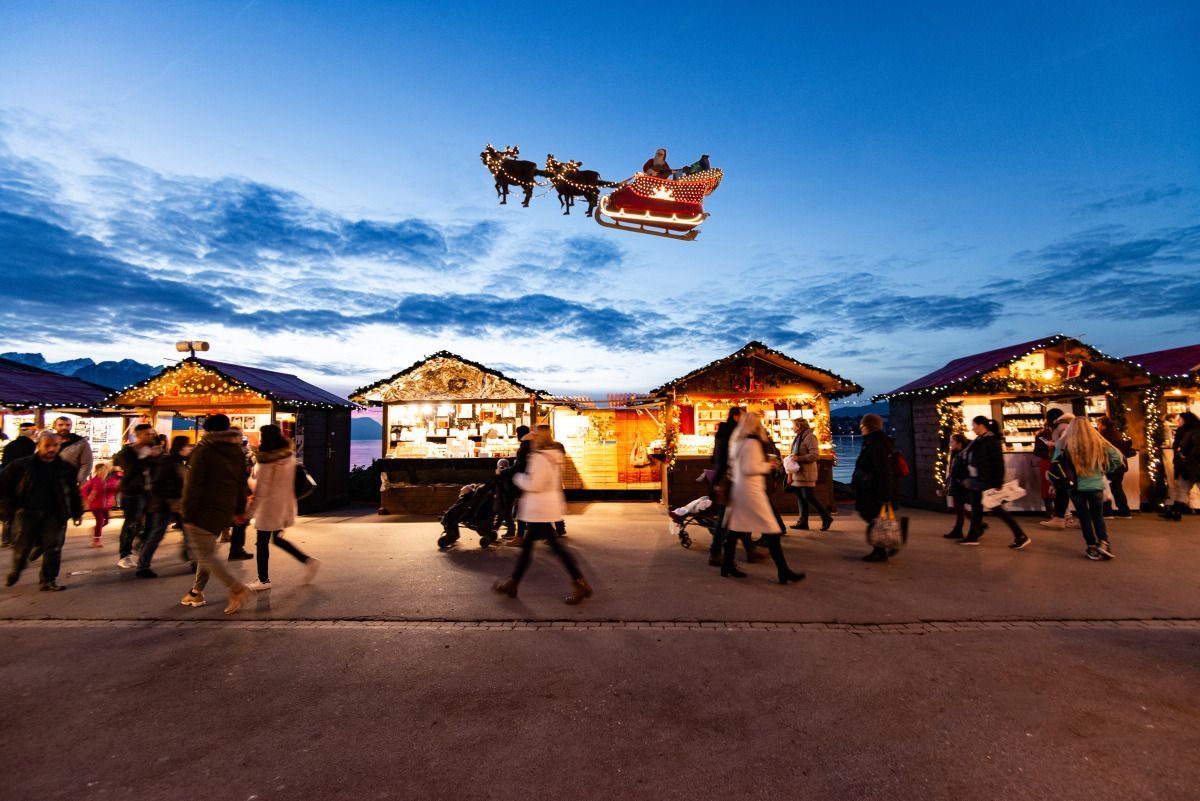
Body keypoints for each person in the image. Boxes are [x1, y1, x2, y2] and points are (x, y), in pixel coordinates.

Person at [493, 426, 592, 604]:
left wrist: (517, 478)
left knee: (549, 549)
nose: (531, 441)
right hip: (546, 508)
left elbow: (535, 485)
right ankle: (513, 582)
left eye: (533, 438)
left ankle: (579, 583)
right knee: (535, 548)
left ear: (538, 439)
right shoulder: (554, 455)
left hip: (539, 509)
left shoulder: (539, 458)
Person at [179, 414, 253, 614]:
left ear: (208, 431)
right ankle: (196, 592)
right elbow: (240, 483)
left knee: (204, 554)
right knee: (207, 551)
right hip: (225, 509)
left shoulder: (203, 452)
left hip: (204, 510)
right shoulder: (236, 451)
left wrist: (187, 515)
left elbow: (192, 486)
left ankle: (236, 588)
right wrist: (238, 510)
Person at [722, 412, 805, 584]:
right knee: (772, 529)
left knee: (736, 529)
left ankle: (727, 565)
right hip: (752, 492)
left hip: (740, 491)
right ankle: (783, 571)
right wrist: (768, 465)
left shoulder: (737, 442)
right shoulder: (752, 443)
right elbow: (749, 468)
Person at [1, 432, 83, 591]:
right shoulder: (21, 465)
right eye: (47, 445)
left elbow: (72, 491)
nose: (52, 449)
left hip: (55, 513)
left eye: (55, 446)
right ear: (39, 445)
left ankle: (48, 580)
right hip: (26, 512)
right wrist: (9, 508)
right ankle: (17, 569)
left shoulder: (66, 468)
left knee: (54, 546)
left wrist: (76, 512)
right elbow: (4, 486)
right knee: (22, 546)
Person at [245, 425, 319, 591]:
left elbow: (261, 491)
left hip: (268, 508)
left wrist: (248, 514)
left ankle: (263, 580)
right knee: (276, 538)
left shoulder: (266, 462)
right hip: (285, 504)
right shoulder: (289, 456)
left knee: (262, 542)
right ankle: (307, 560)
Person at [1055, 417, 1124, 560]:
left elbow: (1056, 462)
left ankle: (1091, 545)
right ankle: (1104, 542)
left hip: (1076, 486)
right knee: (1097, 515)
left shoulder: (1066, 443)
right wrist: (1104, 469)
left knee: (1084, 516)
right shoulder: (1099, 442)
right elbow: (1118, 457)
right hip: (1096, 485)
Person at [959, 416, 1030, 549]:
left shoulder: (991, 440)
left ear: (981, 425)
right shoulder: (980, 440)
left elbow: (998, 462)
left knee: (996, 509)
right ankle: (973, 535)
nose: (972, 428)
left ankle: (1020, 535)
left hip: (986, 480)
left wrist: (998, 482)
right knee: (977, 507)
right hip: (977, 479)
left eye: (974, 425)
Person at [852, 414, 901, 562]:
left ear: (869, 427)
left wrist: (884, 496)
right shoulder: (874, 442)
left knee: (872, 517)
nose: (860, 429)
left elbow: (884, 471)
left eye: (862, 426)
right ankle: (882, 547)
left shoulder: (878, 445)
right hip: (870, 488)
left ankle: (882, 548)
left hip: (874, 490)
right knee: (873, 517)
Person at [136, 435, 186, 578]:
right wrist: (171, 497)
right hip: (164, 503)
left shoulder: (169, 461)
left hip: (167, 502)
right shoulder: (165, 461)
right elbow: (160, 484)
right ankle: (143, 566)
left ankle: (192, 558)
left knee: (186, 532)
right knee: (157, 533)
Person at [113, 424, 160, 569]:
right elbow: (131, 470)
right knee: (131, 524)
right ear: (138, 435)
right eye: (148, 434)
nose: (151, 436)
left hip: (151, 493)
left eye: (152, 434)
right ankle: (124, 555)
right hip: (133, 493)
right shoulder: (127, 452)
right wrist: (149, 458)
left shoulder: (154, 451)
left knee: (153, 524)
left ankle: (140, 544)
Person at [786, 417, 832, 531]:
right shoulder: (798, 438)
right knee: (800, 497)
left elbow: (815, 455)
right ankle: (803, 522)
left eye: (794, 425)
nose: (792, 428)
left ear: (800, 426)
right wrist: (790, 474)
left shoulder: (810, 437)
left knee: (808, 496)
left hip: (806, 473)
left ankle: (826, 516)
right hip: (798, 473)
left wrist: (799, 458)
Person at [1039, 411, 1076, 530]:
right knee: (1067, 491)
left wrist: (1053, 445)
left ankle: (1060, 518)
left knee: (1063, 490)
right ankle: (1063, 517)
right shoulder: (1070, 425)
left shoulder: (1061, 427)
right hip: (1070, 463)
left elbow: (1064, 445)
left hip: (1063, 463)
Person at [1, 423, 36, 548]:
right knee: (21, 510)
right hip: (24, 482)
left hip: (9, 481)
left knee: (9, 509)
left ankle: (6, 538)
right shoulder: (31, 446)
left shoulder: (10, 445)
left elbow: (5, 464)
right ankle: (17, 538)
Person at [1164, 411, 1200, 521]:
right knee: (1182, 488)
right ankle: (1176, 511)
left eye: (1180, 419)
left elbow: (1197, 448)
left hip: (1194, 466)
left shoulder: (1195, 432)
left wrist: (1186, 456)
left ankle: (1176, 511)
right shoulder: (1183, 432)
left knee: (1183, 488)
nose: (1178, 421)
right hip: (1184, 466)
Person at [1096, 416, 1133, 518]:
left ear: (1103, 425)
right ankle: (1124, 511)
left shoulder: (1104, 435)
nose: (1097, 426)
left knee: (1106, 487)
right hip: (1120, 466)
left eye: (1098, 424)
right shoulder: (1116, 433)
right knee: (1116, 488)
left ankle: (1107, 511)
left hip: (1111, 466)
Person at [226, 433, 255, 561]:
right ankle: (236, 550)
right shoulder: (238, 454)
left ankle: (236, 549)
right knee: (239, 521)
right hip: (236, 492)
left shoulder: (226, 452)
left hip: (233, 491)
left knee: (239, 522)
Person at [80, 463, 119, 548]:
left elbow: (116, 488)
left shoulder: (111, 479)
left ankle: (95, 529)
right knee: (100, 520)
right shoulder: (93, 480)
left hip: (107, 505)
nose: (102, 472)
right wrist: (87, 498)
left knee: (107, 521)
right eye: (100, 470)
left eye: (104, 469)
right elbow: (83, 490)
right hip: (95, 505)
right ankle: (96, 539)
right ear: (96, 471)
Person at [942, 433, 971, 539]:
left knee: (959, 506)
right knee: (959, 506)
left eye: (952, 441)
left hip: (962, 483)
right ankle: (977, 524)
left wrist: (960, 480)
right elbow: (952, 469)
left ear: (959, 443)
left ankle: (958, 530)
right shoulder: (954, 452)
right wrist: (949, 482)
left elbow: (965, 469)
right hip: (956, 482)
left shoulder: (966, 453)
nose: (950, 444)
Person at [52, 416, 93, 487]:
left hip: (70, 481)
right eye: (60, 425)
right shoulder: (49, 440)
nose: (64, 427)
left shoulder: (80, 442)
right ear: (55, 426)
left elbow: (87, 463)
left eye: (68, 425)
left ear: (71, 426)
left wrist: (79, 480)